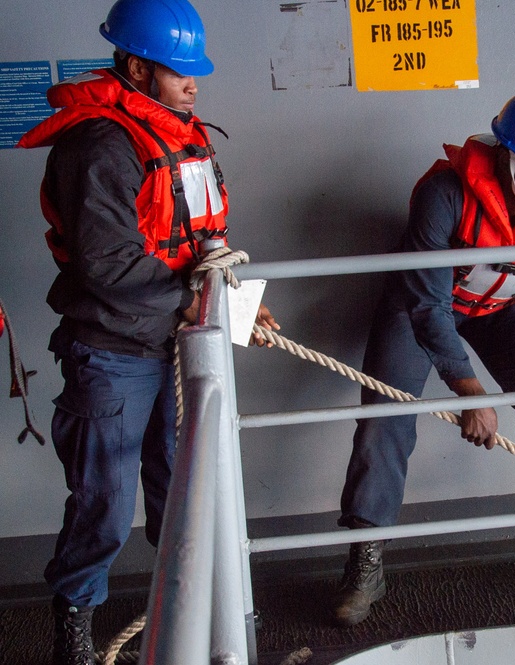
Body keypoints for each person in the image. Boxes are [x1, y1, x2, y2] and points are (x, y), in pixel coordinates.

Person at [17, 1, 277, 663]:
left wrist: (235, 302)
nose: (194, 82)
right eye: (179, 70)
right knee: (104, 500)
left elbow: (202, 243)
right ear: (135, 66)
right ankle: (75, 623)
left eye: (195, 70)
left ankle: (188, 620)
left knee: (185, 490)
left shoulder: (182, 135)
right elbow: (109, 265)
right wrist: (195, 301)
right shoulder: (101, 146)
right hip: (113, 353)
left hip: (180, 349)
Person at [331, 89, 515, 627]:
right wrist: (470, 391)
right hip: (424, 306)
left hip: (499, 310)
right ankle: (366, 559)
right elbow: (426, 304)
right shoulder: (444, 197)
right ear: (507, 158)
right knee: (386, 416)